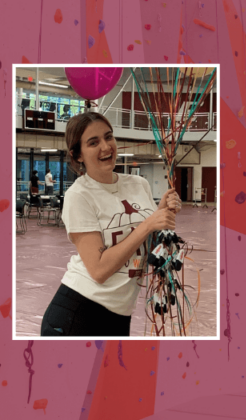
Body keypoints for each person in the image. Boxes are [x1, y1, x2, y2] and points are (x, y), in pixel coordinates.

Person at [40, 112, 181, 336]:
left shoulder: (139, 184)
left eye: (109, 137)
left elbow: (143, 244)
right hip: (78, 313)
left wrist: (160, 214)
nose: (106, 147)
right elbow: (98, 269)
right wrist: (147, 224)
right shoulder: (79, 195)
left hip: (119, 315)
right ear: (78, 155)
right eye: (93, 142)